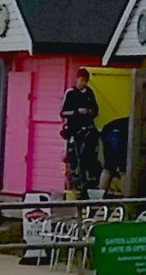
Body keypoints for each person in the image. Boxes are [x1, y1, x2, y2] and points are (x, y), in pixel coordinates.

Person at [60, 68, 100, 199]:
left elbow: (96, 110)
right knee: (74, 160)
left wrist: (89, 112)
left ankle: (89, 185)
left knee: (88, 158)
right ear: (77, 79)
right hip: (74, 132)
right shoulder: (70, 93)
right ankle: (76, 188)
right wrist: (77, 112)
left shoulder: (89, 93)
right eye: (82, 80)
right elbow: (63, 112)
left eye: (86, 81)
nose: (83, 83)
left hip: (88, 130)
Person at [98, 117, 129, 193]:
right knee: (124, 170)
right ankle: (127, 199)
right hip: (118, 135)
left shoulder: (126, 121)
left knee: (107, 169)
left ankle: (99, 198)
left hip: (107, 133)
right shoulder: (137, 123)